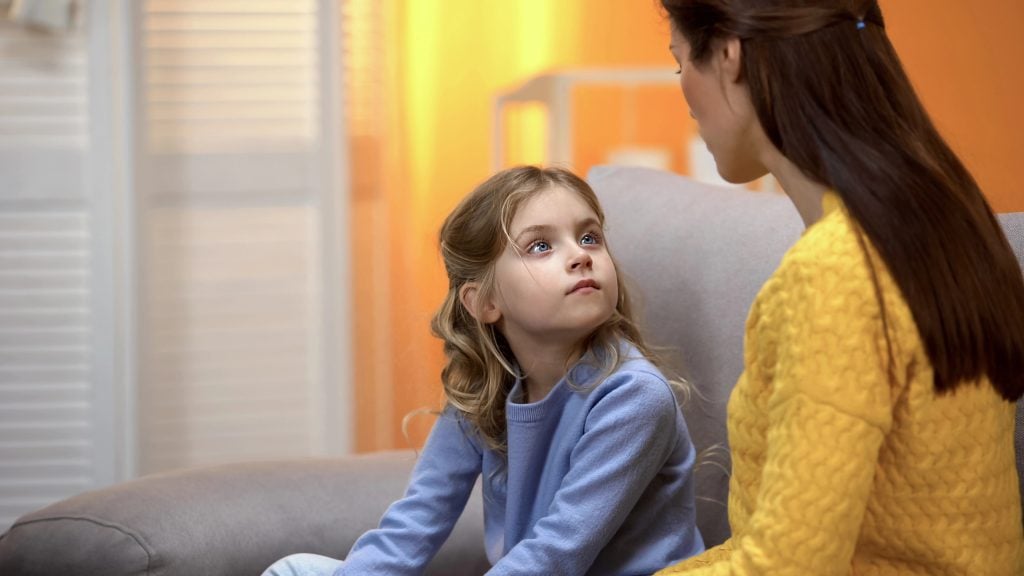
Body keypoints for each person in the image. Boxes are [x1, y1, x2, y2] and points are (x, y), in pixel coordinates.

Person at [655, 0, 1024, 574]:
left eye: (681, 65)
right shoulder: (948, 224)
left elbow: (787, 566)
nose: (684, 97)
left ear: (728, 55)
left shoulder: (835, 274)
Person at [262, 166, 705, 576]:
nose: (580, 256)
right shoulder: (486, 389)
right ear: (484, 303)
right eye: (541, 246)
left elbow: (555, 555)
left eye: (589, 238)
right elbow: (417, 521)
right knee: (295, 570)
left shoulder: (633, 397)